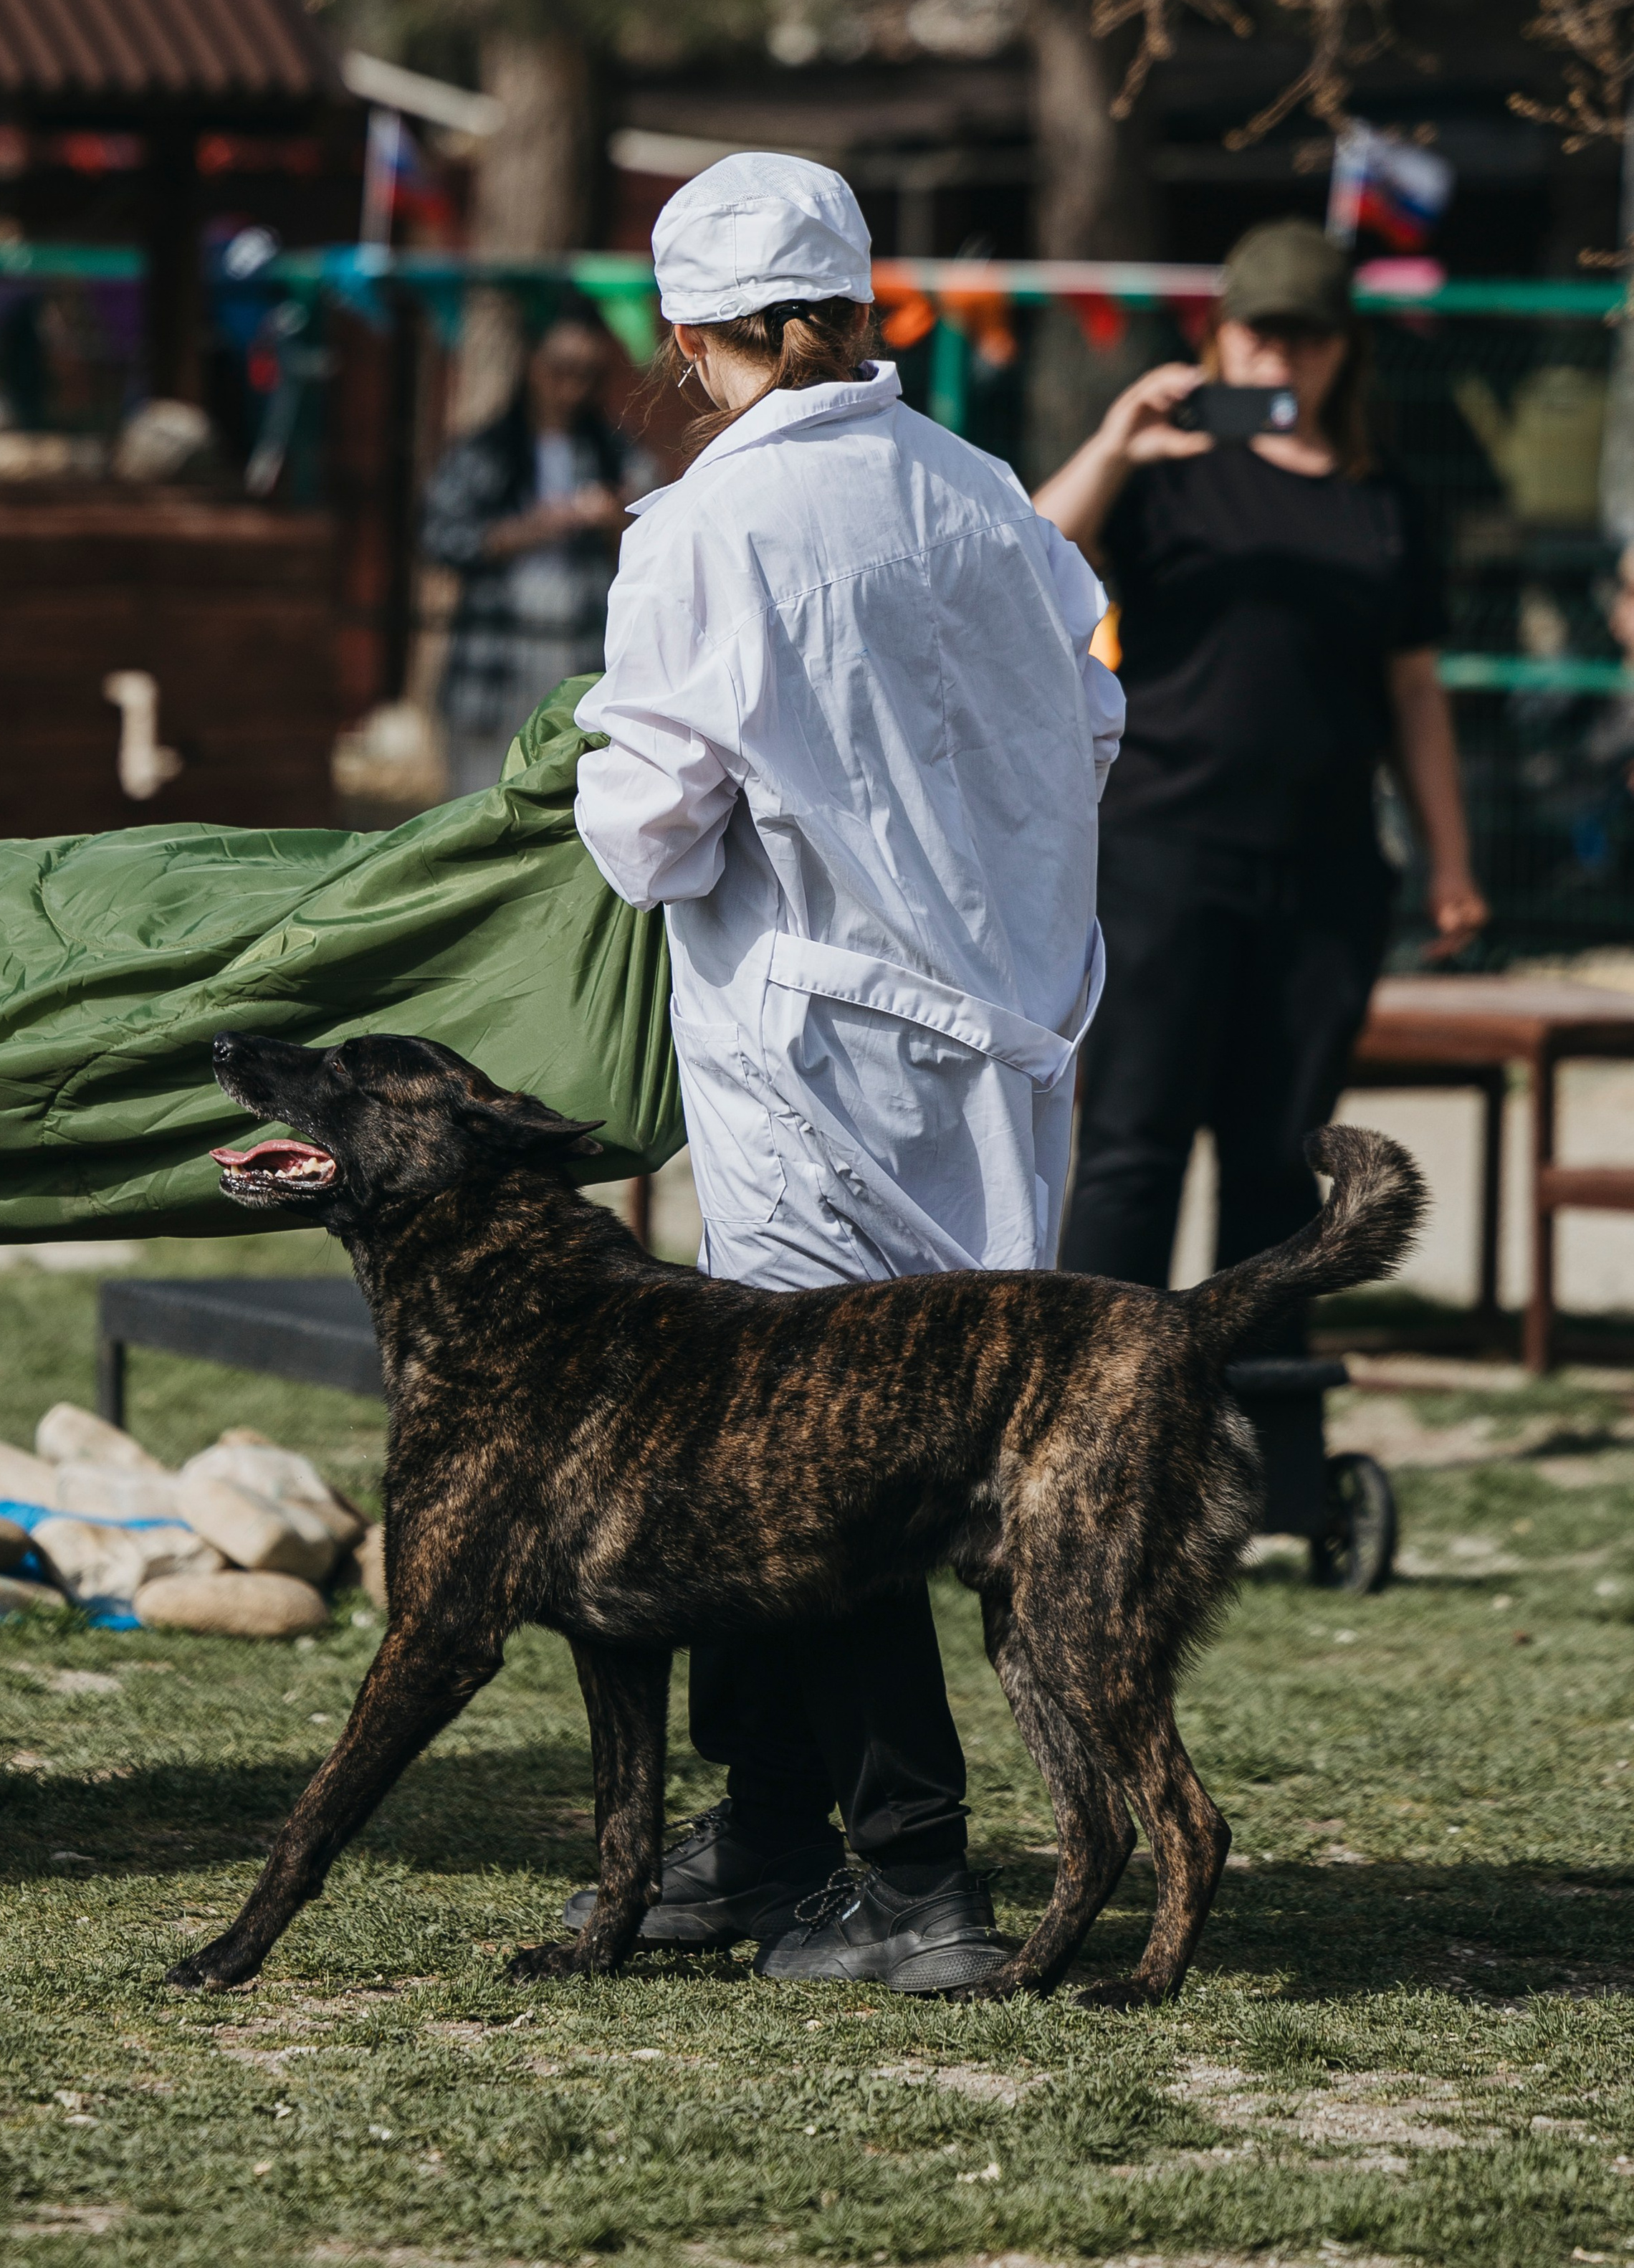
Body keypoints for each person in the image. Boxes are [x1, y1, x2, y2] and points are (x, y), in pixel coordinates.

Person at [566, 151, 1124, 1990]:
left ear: (689, 336)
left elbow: (645, 829)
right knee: (835, 1440)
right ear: (858, 300)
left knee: (820, 1463)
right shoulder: (980, 495)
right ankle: (768, 1837)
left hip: (808, 1049)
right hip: (1004, 1039)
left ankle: (914, 1886)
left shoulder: (699, 532)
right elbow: (1093, 711)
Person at [1039, 219, 1489, 1319]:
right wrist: (1114, 443)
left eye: (1309, 336)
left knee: (1276, 1172)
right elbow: (1024, 560)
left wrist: (1451, 862)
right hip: (1166, 855)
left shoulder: (1383, 501)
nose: (1283, 359)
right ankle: (1087, 1429)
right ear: (1221, 336)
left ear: (1345, 349)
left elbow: (1414, 692)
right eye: (1262, 334)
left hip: (1325, 875)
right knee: (1133, 1150)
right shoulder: (1168, 473)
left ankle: (1266, 1454)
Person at [424, 307, 648, 799]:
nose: (572, 386)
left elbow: (662, 544)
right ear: (531, 365)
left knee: (562, 799)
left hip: (580, 653)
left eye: (587, 374)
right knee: (480, 797)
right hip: (496, 654)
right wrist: (533, 529)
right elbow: (440, 539)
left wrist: (617, 523)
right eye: (560, 369)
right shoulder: (485, 451)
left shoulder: (617, 454)